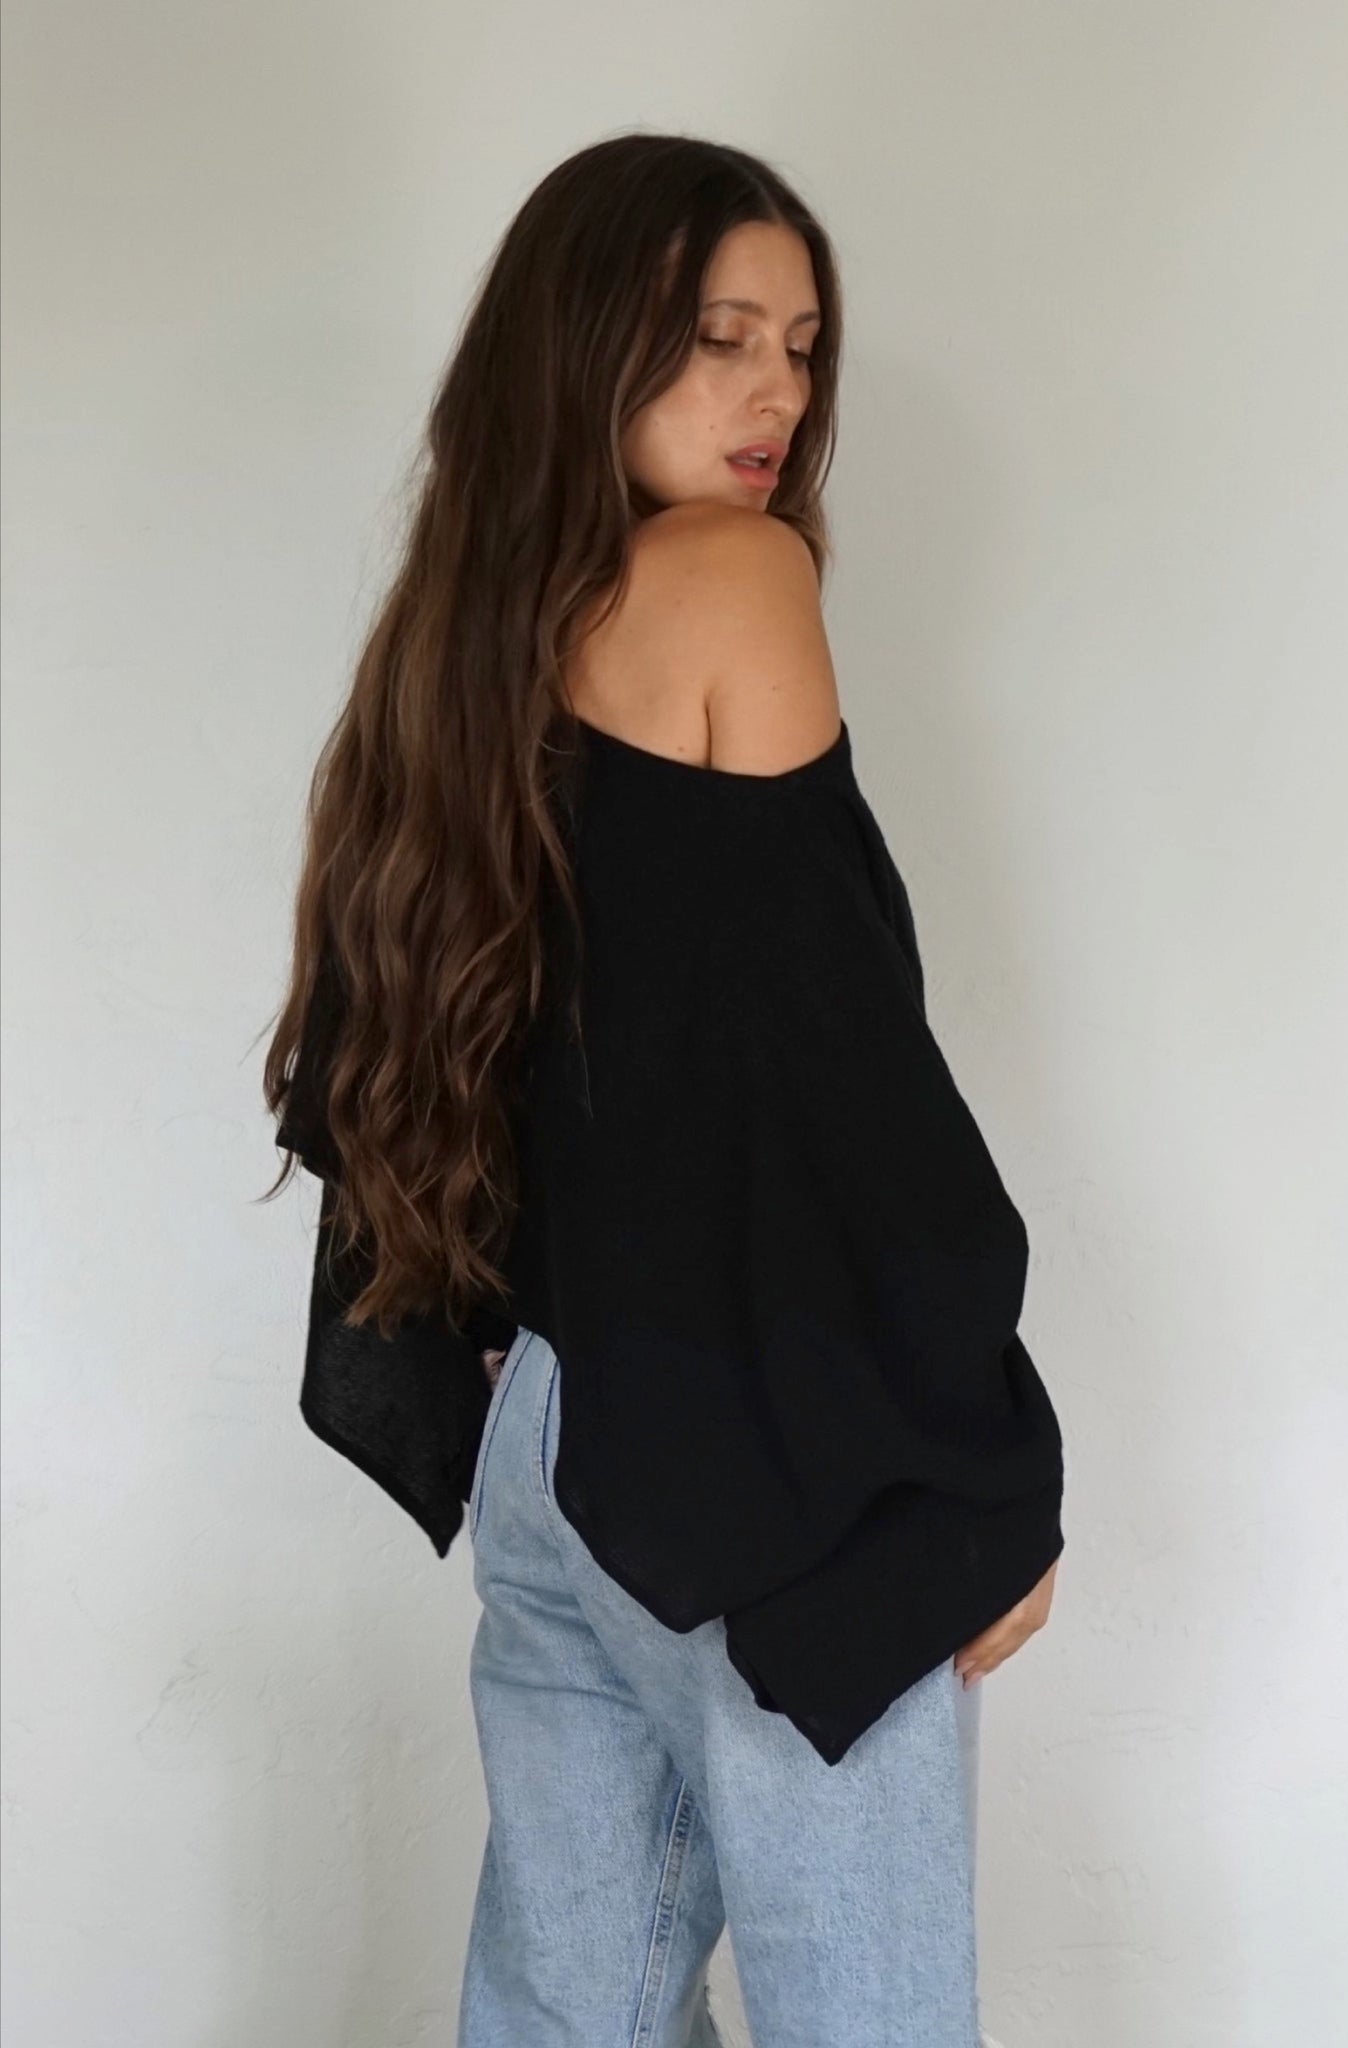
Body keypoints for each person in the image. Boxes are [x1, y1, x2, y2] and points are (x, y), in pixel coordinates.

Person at [263, 132, 1064, 2048]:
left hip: (544, 1432)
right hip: (761, 1451)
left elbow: (402, 1075)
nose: (774, 391)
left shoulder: (456, 651)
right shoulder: (732, 575)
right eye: (717, 338)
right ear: (585, 343)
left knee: (566, 2011)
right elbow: (834, 1075)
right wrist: (987, 1464)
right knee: (865, 2020)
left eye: (799, 345)